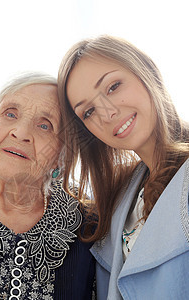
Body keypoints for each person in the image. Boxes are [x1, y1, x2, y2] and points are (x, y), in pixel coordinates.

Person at [0, 72, 96, 299]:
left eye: (45, 126)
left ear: (64, 155)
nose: (20, 133)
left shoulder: (90, 226)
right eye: (10, 113)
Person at [56, 35, 189, 299]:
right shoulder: (118, 198)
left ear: (145, 70)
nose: (107, 113)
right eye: (89, 112)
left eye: (113, 86)